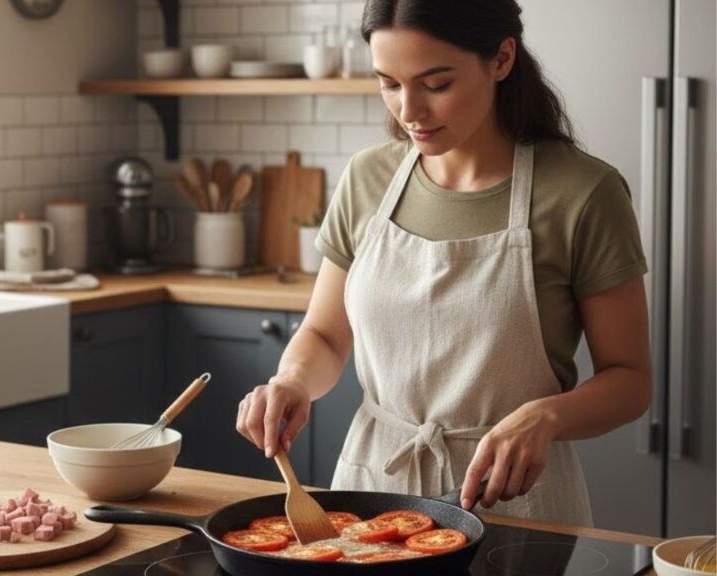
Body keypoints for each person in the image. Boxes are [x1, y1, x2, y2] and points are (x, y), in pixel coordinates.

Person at [235, 0, 652, 526]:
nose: (408, 110)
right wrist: (292, 380)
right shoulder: (368, 179)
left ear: (501, 59)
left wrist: (544, 416)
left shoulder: (584, 193)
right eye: (389, 83)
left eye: (435, 85)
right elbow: (324, 334)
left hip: (514, 503)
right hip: (371, 492)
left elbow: (630, 380)